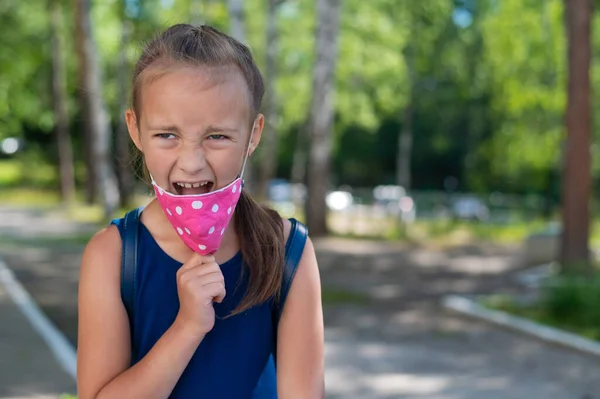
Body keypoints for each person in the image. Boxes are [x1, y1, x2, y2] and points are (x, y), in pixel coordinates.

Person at [77, 24, 325, 399]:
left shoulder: (288, 251)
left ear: (253, 135)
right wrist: (188, 327)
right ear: (135, 129)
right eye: (167, 135)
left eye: (217, 136)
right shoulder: (111, 255)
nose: (191, 163)